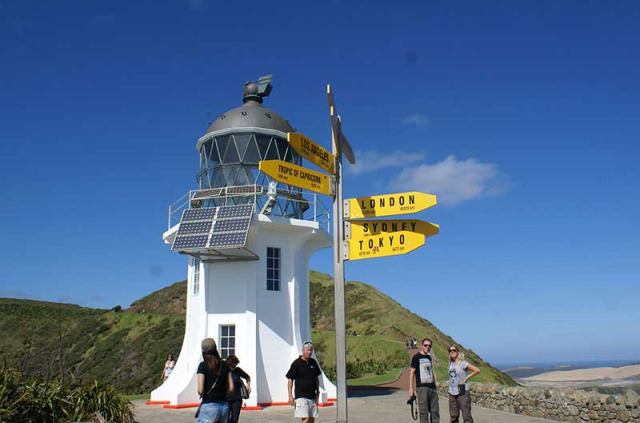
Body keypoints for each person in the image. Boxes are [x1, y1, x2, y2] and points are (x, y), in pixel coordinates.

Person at [196, 338, 234, 423]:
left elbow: (200, 390)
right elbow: (231, 388)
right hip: (224, 405)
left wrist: (202, 393)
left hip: (209, 405)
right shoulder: (225, 365)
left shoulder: (203, 365)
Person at [286, 341, 321, 423]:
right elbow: (290, 379)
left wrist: (317, 391)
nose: (309, 352)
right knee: (306, 418)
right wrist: (290, 396)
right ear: (303, 350)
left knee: (312, 419)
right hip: (301, 396)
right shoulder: (296, 363)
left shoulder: (313, 362)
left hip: (312, 396)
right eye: (307, 350)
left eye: (311, 350)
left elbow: (316, 378)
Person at [409, 338, 439, 423]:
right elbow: (411, 373)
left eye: (429, 346)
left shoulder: (429, 357)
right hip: (422, 388)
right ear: (422, 345)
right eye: (425, 345)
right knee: (423, 412)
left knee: (435, 412)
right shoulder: (416, 357)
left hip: (432, 388)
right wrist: (411, 390)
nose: (427, 347)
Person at [447, 344, 480, 423]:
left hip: (462, 392)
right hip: (452, 392)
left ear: (457, 352)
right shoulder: (450, 363)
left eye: (454, 350)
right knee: (453, 416)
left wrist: (466, 378)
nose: (452, 352)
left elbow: (477, 370)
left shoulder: (463, 363)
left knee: (466, 416)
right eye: (450, 351)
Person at [225, 355, 251, 423]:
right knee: (225, 419)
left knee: (234, 419)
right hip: (226, 399)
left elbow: (247, 377)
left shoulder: (238, 370)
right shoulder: (224, 371)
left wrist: (248, 385)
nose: (234, 367)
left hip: (237, 399)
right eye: (232, 366)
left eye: (235, 365)